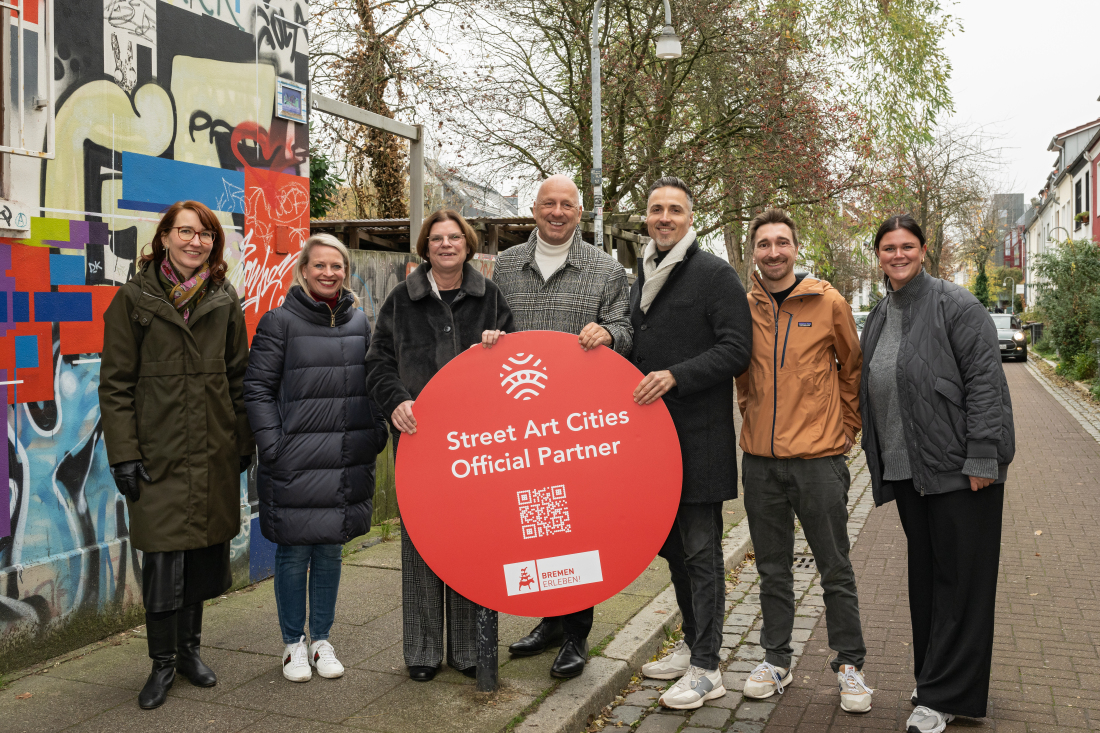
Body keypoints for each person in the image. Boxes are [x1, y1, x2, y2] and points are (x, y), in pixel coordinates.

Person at [860, 215, 1014, 733]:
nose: (897, 255)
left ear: (923, 250)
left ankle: (944, 694)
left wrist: (982, 457)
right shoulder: (880, 313)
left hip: (959, 469)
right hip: (910, 474)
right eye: (888, 248)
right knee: (927, 579)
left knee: (960, 582)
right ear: (878, 255)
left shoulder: (956, 304)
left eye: (906, 246)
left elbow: (986, 383)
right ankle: (935, 679)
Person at [99, 201, 253, 710]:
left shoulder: (223, 298)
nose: (195, 241)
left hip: (211, 451)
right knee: (164, 562)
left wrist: (242, 440)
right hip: (158, 457)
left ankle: (190, 653)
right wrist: (124, 453)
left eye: (205, 234)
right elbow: (116, 385)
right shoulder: (133, 299)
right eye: (184, 232)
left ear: (214, 242)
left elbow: (239, 378)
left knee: (202, 557)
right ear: (164, 237)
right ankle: (161, 664)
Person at [481, 174, 633, 679]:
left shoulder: (605, 269)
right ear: (534, 207)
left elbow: (626, 329)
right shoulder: (505, 265)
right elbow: (490, 325)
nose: (558, 212)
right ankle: (548, 620)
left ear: (580, 213)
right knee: (538, 525)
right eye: (550, 203)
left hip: (576, 427)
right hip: (522, 425)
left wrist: (610, 332)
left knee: (579, 526)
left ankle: (577, 634)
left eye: (568, 205)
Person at [366, 210, 515, 682]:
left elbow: (514, 365)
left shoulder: (490, 297)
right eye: (436, 239)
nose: (446, 245)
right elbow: (378, 363)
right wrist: (396, 401)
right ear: (425, 248)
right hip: (420, 441)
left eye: (454, 238)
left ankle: (470, 650)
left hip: (477, 444)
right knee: (421, 544)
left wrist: (502, 343)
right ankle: (423, 651)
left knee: (472, 540)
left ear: (467, 245)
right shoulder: (401, 300)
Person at [734, 208, 872, 714]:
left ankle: (850, 664)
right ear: (755, 251)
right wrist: (751, 415)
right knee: (772, 570)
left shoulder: (827, 300)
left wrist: (847, 428)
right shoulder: (742, 306)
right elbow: (741, 373)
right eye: (764, 243)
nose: (773, 251)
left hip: (818, 460)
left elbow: (852, 368)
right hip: (761, 463)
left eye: (781, 242)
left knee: (834, 567)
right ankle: (776, 659)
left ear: (795, 247)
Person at [629, 178, 752, 709]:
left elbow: (736, 350)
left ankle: (707, 665)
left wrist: (675, 375)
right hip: (651, 445)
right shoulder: (643, 273)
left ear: (689, 216)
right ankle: (691, 645)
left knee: (702, 552)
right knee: (674, 550)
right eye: (656, 209)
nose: (664, 217)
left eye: (674, 209)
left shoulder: (714, 274)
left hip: (697, 442)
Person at [244, 233, 389, 683]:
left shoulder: (361, 324)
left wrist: (375, 432)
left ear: (345, 271)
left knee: (329, 553)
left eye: (337, 266)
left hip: (345, 461)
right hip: (296, 462)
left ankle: (322, 640)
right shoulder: (279, 323)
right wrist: (273, 447)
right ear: (303, 270)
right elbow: (257, 390)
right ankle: (293, 646)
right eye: (320, 265)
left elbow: (377, 382)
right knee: (293, 554)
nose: (329, 273)